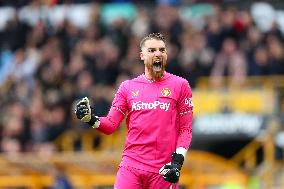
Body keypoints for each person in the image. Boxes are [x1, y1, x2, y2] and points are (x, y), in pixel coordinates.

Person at [75, 33, 193, 189]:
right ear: (142, 55)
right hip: (131, 166)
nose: (158, 53)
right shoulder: (127, 87)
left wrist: (177, 163)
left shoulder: (180, 85)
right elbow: (111, 124)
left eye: (162, 50)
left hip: (164, 169)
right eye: (151, 50)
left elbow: (186, 129)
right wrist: (90, 119)